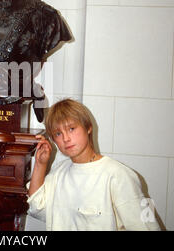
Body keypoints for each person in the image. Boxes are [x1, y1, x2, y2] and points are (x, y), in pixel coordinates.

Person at [27, 98, 161, 230]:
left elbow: (148, 227)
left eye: (72, 129)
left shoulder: (118, 175)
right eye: (58, 133)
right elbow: (36, 207)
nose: (66, 138)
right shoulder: (59, 171)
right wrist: (40, 164)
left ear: (88, 127)